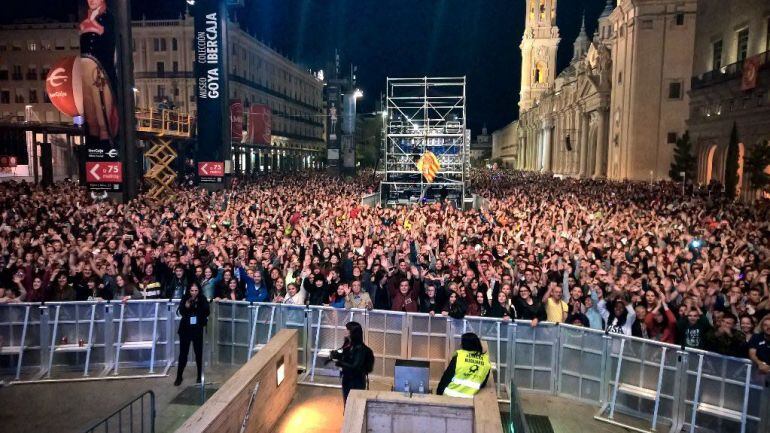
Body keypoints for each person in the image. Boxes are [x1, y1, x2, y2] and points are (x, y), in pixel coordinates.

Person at [175, 283, 210, 386]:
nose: (194, 293)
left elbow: (207, 312)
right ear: (189, 291)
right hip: (185, 329)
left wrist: (198, 308)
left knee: (198, 354)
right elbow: (181, 311)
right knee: (183, 354)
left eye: (196, 291)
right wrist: (186, 306)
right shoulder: (185, 298)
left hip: (197, 329)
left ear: (199, 291)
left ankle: (199, 376)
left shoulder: (202, 299)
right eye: (192, 291)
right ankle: (179, 376)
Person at [437, 332, 492, 398]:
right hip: (469, 399)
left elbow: (446, 377)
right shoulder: (486, 362)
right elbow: (483, 383)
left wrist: (438, 394)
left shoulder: (460, 357)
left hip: (449, 396)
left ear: (464, 344)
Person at [333, 321, 373, 405]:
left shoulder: (360, 349)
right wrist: (335, 353)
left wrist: (341, 363)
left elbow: (356, 366)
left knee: (355, 405)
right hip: (347, 379)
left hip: (356, 382)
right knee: (347, 404)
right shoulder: (348, 343)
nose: (344, 331)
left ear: (353, 332)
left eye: (347, 329)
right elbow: (342, 351)